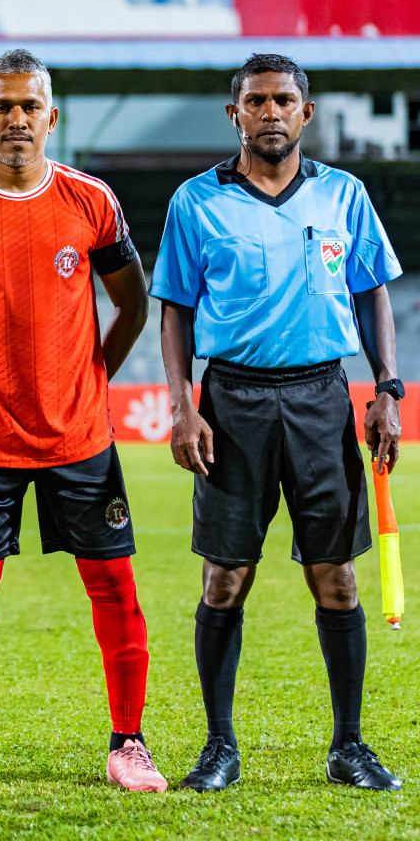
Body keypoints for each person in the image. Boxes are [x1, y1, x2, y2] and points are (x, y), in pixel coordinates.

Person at [0, 49, 163, 793]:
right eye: (2, 107)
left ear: (52, 117)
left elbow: (132, 302)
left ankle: (128, 743)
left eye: (30, 108)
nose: (16, 120)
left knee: (115, 586)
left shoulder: (91, 200)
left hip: (79, 436)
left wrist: (93, 374)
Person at [154, 53, 404, 792]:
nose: (270, 112)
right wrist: (182, 404)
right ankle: (219, 747)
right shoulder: (196, 201)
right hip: (232, 403)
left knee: (338, 580)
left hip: (323, 399)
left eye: (283, 100)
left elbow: (372, 294)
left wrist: (387, 387)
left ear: (306, 112)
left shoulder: (344, 195)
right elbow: (175, 309)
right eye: (256, 101)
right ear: (234, 115)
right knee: (224, 577)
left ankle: (349, 748)